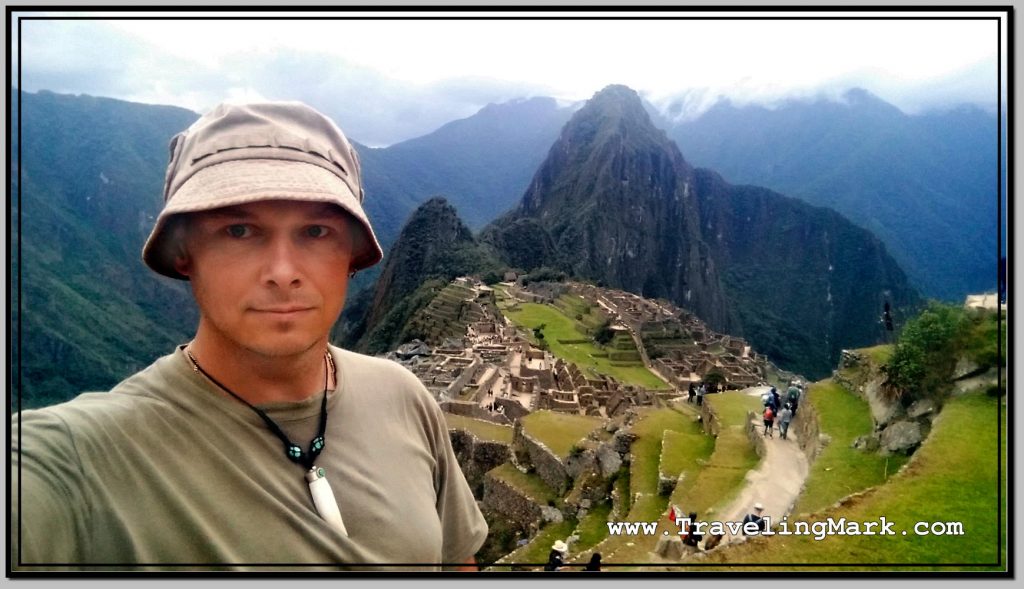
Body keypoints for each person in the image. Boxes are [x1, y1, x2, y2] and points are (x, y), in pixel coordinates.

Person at [11, 101, 488, 570]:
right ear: (184, 253)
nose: (283, 273)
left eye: (316, 231)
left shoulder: (404, 397)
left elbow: (456, 563)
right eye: (239, 230)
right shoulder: (76, 462)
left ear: (351, 256)